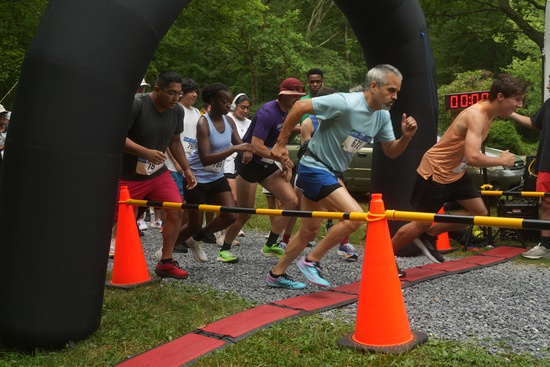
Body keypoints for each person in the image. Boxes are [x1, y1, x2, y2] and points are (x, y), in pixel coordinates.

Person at [267, 64, 417, 289]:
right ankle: (311, 261)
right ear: (374, 86)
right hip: (314, 167)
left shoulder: (383, 117)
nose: (395, 96)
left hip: (331, 172)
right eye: (391, 90)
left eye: (397, 92)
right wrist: (280, 144)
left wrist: (406, 137)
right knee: (355, 216)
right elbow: (299, 107)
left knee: (309, 230)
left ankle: (276, 275)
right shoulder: (345, 102)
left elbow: (391, 151)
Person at [391, 74, 525, 268]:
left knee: (478, 212)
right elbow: (472, 157)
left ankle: (430, 236)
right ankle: (382, 258)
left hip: (456, 172)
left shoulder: (489, 114)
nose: (519, 105)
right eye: (517, 100)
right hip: (436, 171)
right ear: (501, 97)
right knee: (421, 222)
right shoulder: (476, 115)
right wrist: (501, 160)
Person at [112, 70, 197, 279]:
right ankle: (116, 262)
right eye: (171, 93)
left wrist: (186, 169)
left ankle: (166, 262)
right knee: (120, 221)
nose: (176, 98)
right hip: (127, 176)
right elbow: (116, 138)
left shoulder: (177, 111)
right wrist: (144, 151)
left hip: (157, 174)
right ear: (157, 89)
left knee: (176, 210)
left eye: (179, 93)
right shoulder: (137, 104)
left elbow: (175, 141)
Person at [156, 83, 254, 264]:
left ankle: (196, 240)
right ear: (212, 101)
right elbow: (206, 158)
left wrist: (246, 151)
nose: (228, 105)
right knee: (193, 224)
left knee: (230, 215)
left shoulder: (229, 121)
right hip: (196, 177)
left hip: (216, 176)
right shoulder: (203, 123)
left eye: (230, 102)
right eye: (224, 101)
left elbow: (239, 144)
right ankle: (165, 251)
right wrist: (235, 148)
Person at [222, 78, 304, 258]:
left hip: (266, 164)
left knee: (291, 201)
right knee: (245, 213)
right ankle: (224, 249)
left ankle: (270, 244)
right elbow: (257, 146)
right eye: (293, 96)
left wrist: (284, 161)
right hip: (248, 165)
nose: (296, 100)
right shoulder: (267, 113)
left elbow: (279, 143)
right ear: (282, 95)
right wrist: (280, 157)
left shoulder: (288, 113)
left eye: (298, 96)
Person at [509, 75, 550, 259]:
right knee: (546, 203)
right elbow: (534, 124)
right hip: (546, 163)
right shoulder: (548, 104)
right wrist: (509, 112)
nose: (548, 85)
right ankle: (545, 245)